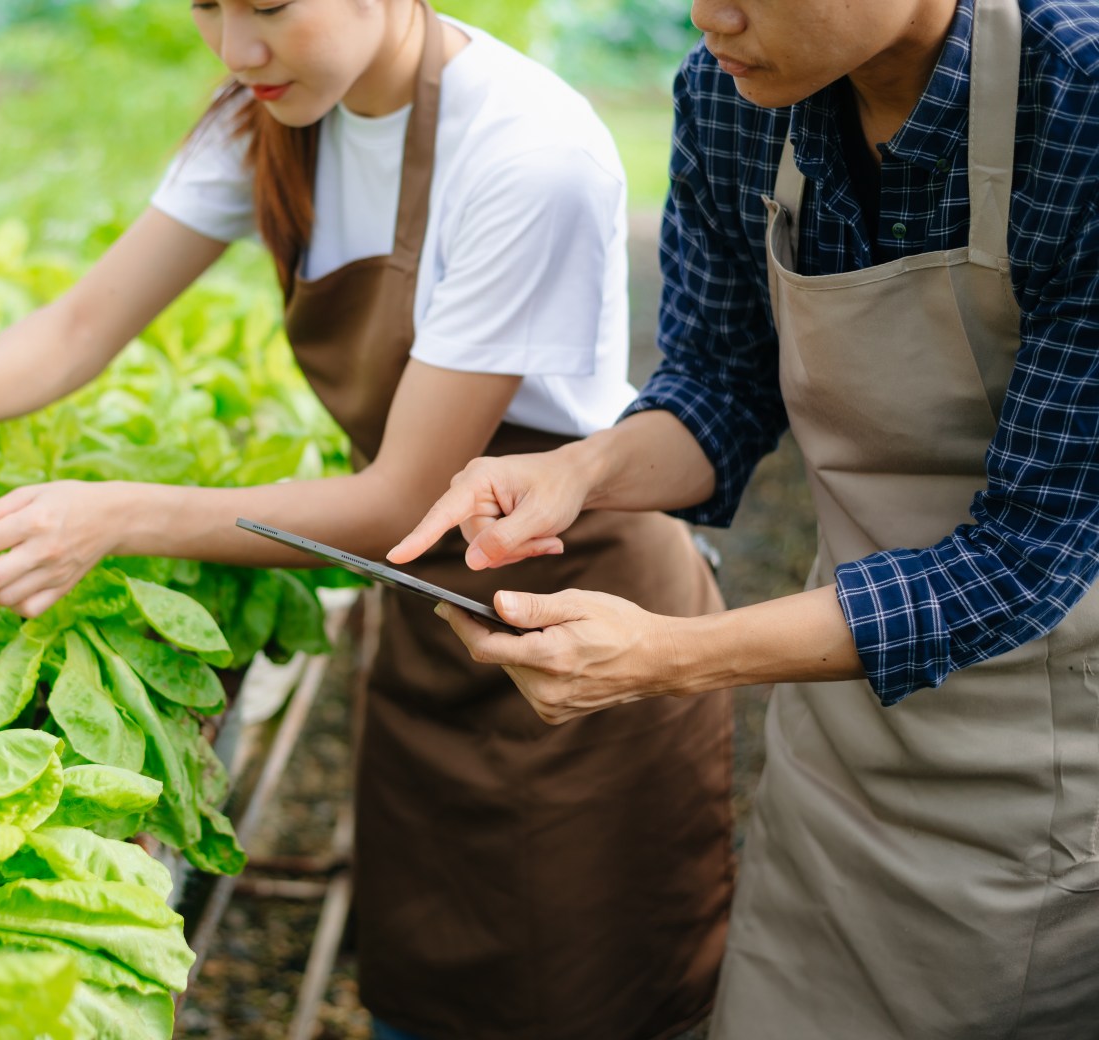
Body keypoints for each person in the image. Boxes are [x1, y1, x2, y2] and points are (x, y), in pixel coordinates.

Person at [0, 2, 734, 1037]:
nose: (235, 48)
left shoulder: (527, 148)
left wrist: (117, 515)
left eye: (267, 7)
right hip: (433, 609)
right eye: (205, 9)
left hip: (582, 623)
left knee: (587, 996)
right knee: (425, 986)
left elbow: (403, 491)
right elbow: (87, 318)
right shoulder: (274, 112)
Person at [390, 0, 1099, 1035]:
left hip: (1054, 760)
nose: (704, 14)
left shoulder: (1076, 103)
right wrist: (575, 471)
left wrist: (673, 654)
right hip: (840, 736)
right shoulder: (730, 98)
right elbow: (720, 387)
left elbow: (1024, 556)